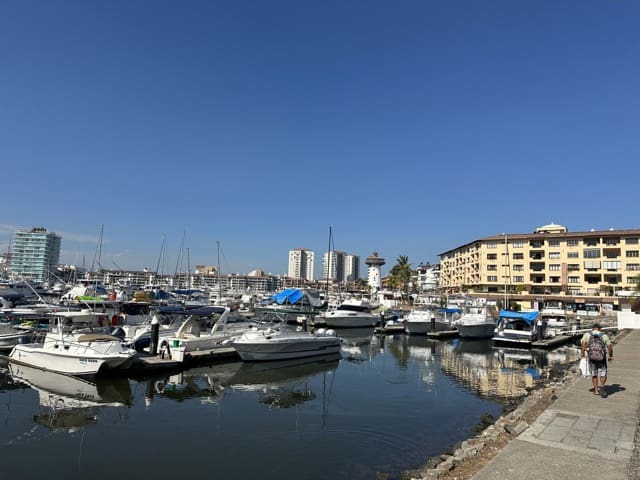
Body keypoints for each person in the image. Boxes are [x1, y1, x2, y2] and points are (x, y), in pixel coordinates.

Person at [580, 323, 614, 397]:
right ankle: (602, 386)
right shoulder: (604, 336)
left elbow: (583, 345)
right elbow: (610, 347)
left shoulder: (587, 335)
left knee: (594, 374)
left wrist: (582, 354)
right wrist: (610, 356)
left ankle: (596, 391)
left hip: (592, 358)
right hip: (602, 358)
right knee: (603, 373)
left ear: (592, 328)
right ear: (600, 329)